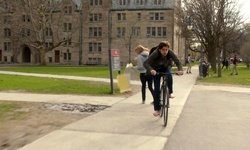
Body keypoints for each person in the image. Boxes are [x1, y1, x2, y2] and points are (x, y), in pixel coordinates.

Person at [143, 41, 183, 116]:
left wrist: (180, 70)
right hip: (156, 70)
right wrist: (151, 70)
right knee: (156, 89)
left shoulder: (170, 53)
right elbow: (145, 63)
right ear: (159, 49)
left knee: (169, 75)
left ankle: (170, 93)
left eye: (166, 50)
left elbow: (178, 62)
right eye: (163, 50)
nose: (165, 52)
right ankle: (156, 109)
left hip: (166, 67)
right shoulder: (155, 53)